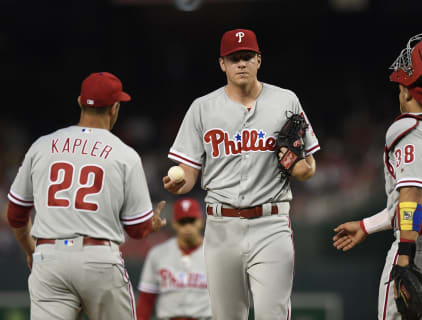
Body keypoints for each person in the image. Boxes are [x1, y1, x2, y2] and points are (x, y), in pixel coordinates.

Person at [163, 28, 320, 320]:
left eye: (247, 57)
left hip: (271, 224)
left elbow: (308, 168)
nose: (241, 64)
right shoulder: (202, 108)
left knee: (272, 314)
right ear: (222, 63)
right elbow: (188, 172)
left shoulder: (286, 101)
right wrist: (179, 182)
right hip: (221, 226)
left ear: (259, 59)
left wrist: (302, 167)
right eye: (234, 58)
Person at [332, 33, 422, 319]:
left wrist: (405, 255)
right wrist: (366, 225)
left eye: (401, 85)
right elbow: (419, 201)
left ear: (410, 91)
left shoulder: (409, 129)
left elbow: (413, 196)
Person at [6, 72, 167, 320]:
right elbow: (137, 229)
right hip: (98, 259)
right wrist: (152, 225)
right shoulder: (124, 154)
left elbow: (16, 214)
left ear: (80, 101)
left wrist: (30, 250)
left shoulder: (42, 145)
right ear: (115, 108)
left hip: (49, 258)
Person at [137, 197, 212, 320]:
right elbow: (146, 299)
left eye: (191, 221)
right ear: (174, 224)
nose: (187, 227)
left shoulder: (214, 253)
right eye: (183, 222)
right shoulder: (157, 253)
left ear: (201, 221)